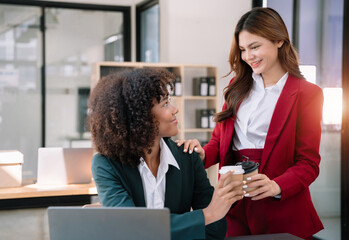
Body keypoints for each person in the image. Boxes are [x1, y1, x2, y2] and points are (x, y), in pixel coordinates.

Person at [176, 7, 324, 239]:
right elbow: (219, 142)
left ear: (279, 41)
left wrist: (277, 186)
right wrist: (202, 154)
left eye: (255, 47)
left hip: (281, 207)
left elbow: (308, 163)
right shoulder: (237, 87)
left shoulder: (307, 93)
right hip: (234, 203)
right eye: (243, 49)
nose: (248, 56)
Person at [88, 68, 245, 240]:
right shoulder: (106, 164)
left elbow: (215, 230)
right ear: (139, 117)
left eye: (169, 101)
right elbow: (130, 226)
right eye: (164, 104)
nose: (174, 109)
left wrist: (209, 216)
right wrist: (205, 216)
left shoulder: (188, 156)